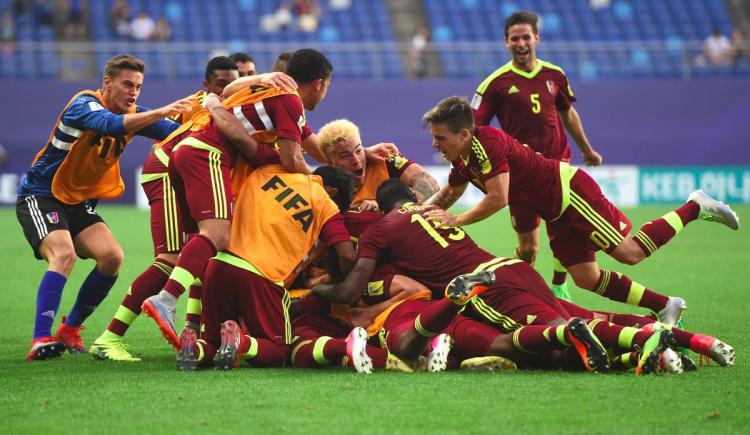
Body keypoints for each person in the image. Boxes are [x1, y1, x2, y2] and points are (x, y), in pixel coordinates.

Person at [315, 179, 735, 374]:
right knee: (584, 308)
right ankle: (678, 339)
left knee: (551, 334)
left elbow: (352, 285)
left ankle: (649, 339)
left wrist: (317, 293)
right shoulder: (429, 212)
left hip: (483, 286)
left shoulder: (381, 230)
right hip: (513, 266)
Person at [422, 96, 739, 327]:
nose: (435, 144)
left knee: (629, 253)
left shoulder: (485, 144)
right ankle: (665, 304)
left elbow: (498, 198)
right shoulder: (462, 160)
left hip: (571, 193)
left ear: (463, 134)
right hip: (556, 213)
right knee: (587, 278)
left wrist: (457, 220)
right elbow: (449, 192)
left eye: (440, 137)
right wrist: (417, 213)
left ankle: (695, 206)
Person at [139, 49, 338, 348]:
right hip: (209, 155)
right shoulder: (290, 100)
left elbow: (310, 144)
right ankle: (166, 300)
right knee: (218, 235)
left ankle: (193, 324)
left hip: (184, 152)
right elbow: (290, 159)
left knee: (199, 242)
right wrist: (316, 179)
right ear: (320, 83)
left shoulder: (270, 90)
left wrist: (353, 158)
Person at [16, 54, 192, 361]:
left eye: (138, 86)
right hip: (42, 194)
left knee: (112, 258)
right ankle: (40, 339)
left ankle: (70, 329)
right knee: (64, 254)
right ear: (107, 83)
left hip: (77, 201)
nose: (133, 92)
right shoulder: (84, 104)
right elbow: (109, 125)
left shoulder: (135, 113)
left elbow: (175, 132)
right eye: (127, 84)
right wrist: (162, 111)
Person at [89, 56, 243, 361]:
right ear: (207, 86)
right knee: (171, 259)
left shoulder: (234, 105)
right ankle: (109, 338)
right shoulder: (206, 103)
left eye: (239, 81)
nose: (230, 90)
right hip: (168, 172)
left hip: (182, 170)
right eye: (223, 85)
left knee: (201, 251)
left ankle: (191, 332)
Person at [471, 11, 603, 300]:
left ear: (536, 38)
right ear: (506, 42)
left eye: (526, 37)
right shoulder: (495, 83)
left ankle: (558, 284)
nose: (521, 43)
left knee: (566, 230)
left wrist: (586, 150)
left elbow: (568, 113)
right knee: (529, 248)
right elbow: (474, 129)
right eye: (515, 38)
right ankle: (520, 286)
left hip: (558, 167)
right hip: (521, 175)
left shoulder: (555, 75)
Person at [317, 119, 438, 232]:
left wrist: (389, 203)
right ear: (330, 162)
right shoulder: (324, 186)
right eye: (345, 156)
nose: (356, 160)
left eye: (359, 150)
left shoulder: (384, 157)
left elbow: (430, 184)